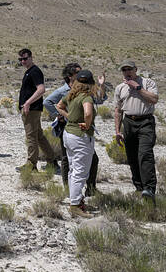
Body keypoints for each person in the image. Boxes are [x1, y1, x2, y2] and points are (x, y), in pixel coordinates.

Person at [45, 63, 106, 194]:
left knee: (91, 159)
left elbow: (101, 99)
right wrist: (62, 116)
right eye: (77, 72)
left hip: (79, 130)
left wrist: (101, 85)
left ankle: (89, 188)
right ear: (70, 76)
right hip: (69, 128)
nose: (80, 74)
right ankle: (69, 189)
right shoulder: (64, 91)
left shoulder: (84, 90)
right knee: (67, 159)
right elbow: (48, 102)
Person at [56, 70, 99, 218]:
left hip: (68, 134)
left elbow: (59, 105)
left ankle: (76, 199)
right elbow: (88, 113)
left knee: (73, 168)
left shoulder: (71, 95)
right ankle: (75, 204)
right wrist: (87, 125)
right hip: (80, 137)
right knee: (80, 171)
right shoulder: (86, 97)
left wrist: (70, 117)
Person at [114, 60, 159, 200]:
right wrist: (117, 131)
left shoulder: (148, 83)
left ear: (135, 70)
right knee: (132, 156)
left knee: (145, 154)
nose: (127, 72)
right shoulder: (120, 87)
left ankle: (149, 188)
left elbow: (154, 99)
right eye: (124, 70)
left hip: (145, 121)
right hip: (128, 122)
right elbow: (117, 110)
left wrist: (138, 88)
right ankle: (139, 187)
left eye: (129, 69)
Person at [17, 48, 58, 172]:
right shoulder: (29, 71)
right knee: (39, 136)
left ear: (31, 57)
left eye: (25, 58)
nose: (23, 61)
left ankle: (31, 164)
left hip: (31, 109)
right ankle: (52, 159)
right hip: (32, 109)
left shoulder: (35, 71)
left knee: (31, 137)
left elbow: (41, 89)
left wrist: (28, 103)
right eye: (21, 59)